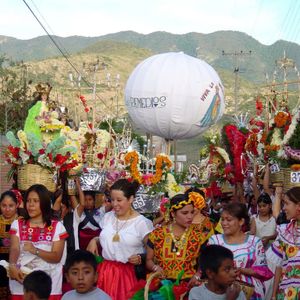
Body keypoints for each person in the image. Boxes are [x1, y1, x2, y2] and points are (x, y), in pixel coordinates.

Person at [87, 179, 153, 300]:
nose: (114, 204)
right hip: (105, 273)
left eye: (119, 200)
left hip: (128, 275)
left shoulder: (142, 223)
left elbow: (152, 252)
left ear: (131, 199)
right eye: (112, 200)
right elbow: (108, 237)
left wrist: (141, 257)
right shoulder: (107, 217)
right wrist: (95, 240)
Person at [9, 184, 68, 299]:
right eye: (28, 201)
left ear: (44, 203)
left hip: (49, 288)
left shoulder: (58, 227)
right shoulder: (17, 224)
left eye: (35, 201)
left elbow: (56, 257)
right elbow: (15, 248)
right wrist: (12, 265)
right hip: (21, 286)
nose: (31, 205)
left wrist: (34, 250)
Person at [208, 202, 273, 299]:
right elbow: (206, 267)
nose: (224, 223)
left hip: (251, 293)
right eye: (222, 219)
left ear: (241, 221)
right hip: (220, 291)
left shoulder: (254, 242)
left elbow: (263, 271)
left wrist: (242, 270)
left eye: (228, 220)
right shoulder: (215, 240)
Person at [146, 193, 209, 285]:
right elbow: (149, 260)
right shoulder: (157, 234)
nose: (190, 217)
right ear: (173, 213)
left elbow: (204, 262)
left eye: (192, 212)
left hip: (188, 284)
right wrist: (155, 268)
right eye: (184, 213)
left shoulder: (199, 236)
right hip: (162, 285)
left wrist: (197, 275)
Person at [267, 187, 300, 299]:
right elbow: (280, 265)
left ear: (298, 205)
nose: (284, 208)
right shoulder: (285, 232)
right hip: (286, 294)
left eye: (286, 204)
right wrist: (274, 294)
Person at [72, 178, 111, 251]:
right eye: (85, 200)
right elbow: (81, 203)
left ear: (94, 200)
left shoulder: (101, 210)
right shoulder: (79, 212)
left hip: (97, 242)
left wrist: (108, 189)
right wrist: (77, 186)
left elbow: (112, 203)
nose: (87, 202)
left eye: (90, 199)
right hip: (82, 243)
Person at [0, 190, 19, 299]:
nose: (7, 209)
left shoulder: (22, 222)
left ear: (17, 205)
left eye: (11, 206)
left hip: (17, 264)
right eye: (4, 205)